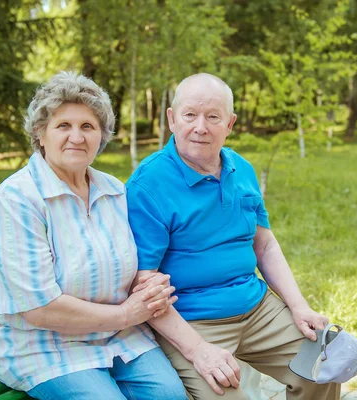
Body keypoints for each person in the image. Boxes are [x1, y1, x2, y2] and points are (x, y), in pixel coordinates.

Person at [126, 73, 341, 400]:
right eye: (189, 115)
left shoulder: (241, 168)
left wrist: (299, 307)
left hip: (256, 306)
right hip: (192, 319)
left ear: (230, 123)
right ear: (171, 119)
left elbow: (265, 244)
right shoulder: (148, 185)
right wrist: (198, 350)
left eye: (213, 117)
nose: (200, 127)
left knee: (323, 363)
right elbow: (144, 283)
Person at [0, 71, 188, 400]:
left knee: (172, 396)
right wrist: (126, 314)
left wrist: (151, 288)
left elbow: (136, 266)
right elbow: (40, 309)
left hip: (118, 337)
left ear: (101, 136)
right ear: (40, 133)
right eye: (63, 126)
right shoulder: (18, 200)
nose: (76, 136)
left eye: (87, 126)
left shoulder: (114, 191)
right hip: (41, 343)